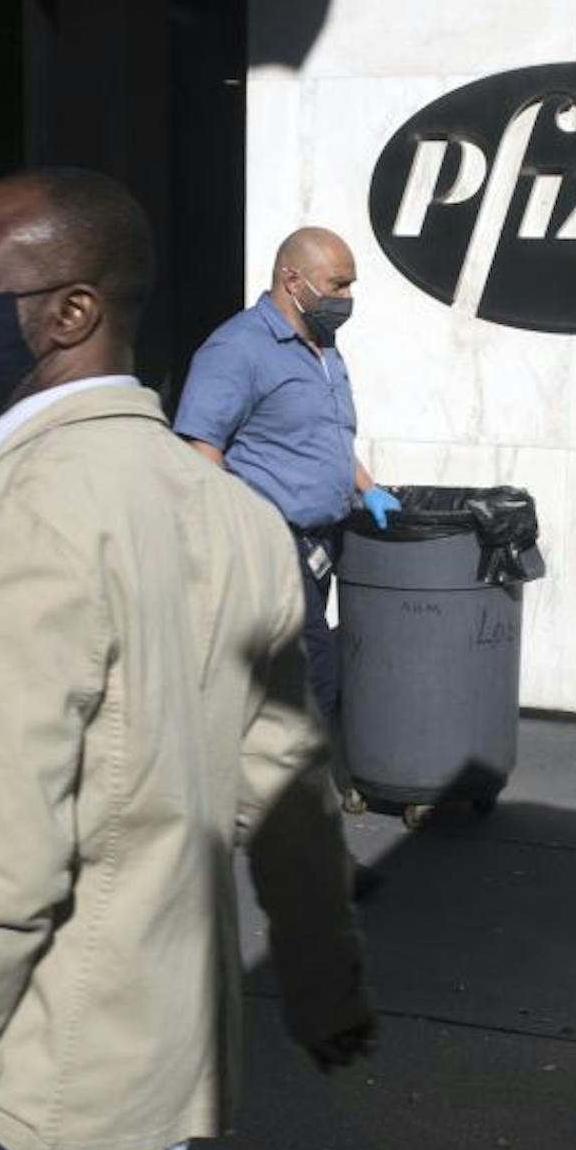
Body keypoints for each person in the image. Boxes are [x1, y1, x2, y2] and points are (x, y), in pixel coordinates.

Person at [0, 170, 376, 1150]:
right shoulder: (233, 513)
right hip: (149, 1073)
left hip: (11, 1098)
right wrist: (323, 981)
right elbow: (292, 789)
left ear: (72, 312)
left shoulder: (11, 522)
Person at [174, 228, 399, 888]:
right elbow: (198, 447)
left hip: (321, 545)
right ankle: (317, 859)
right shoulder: (237, 350)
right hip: (270, 546)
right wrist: (235, 535)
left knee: (269, 698)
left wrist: (366, 487)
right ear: (293, 280)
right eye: (339, 284)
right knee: (311, 692)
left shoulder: (324, 346)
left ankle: (215, 822)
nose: (348, 297)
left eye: (351, 283)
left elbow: (326, 437)